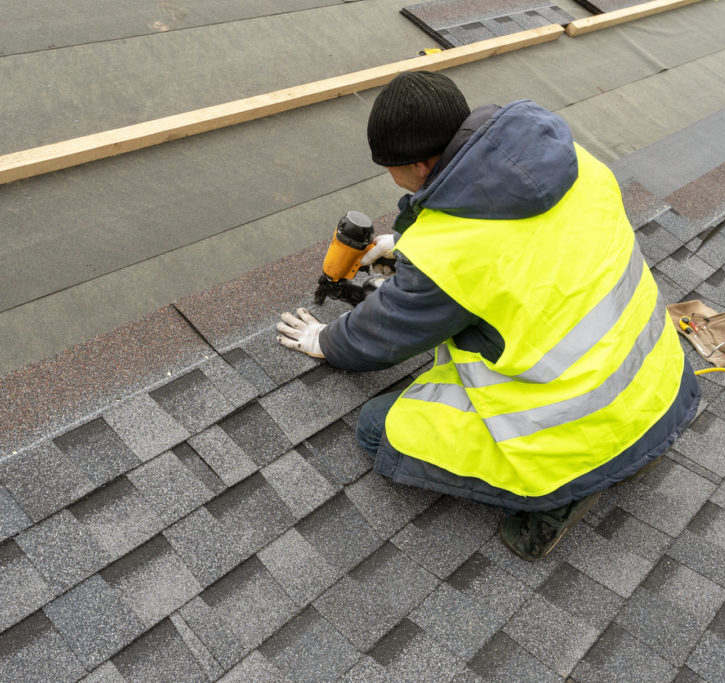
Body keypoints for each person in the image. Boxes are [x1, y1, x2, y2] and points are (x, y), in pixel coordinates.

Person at [276, 71, 700, 561]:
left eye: (390, 169)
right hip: (659, 384)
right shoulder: (574, 164)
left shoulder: (451, 258)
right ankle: (608, 453)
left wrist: (323, 340)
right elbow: (521, 247)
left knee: (377, 429)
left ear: (418, 165)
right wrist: (408, 248)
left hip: (583, 428)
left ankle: (559, 495)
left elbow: (379, 338)